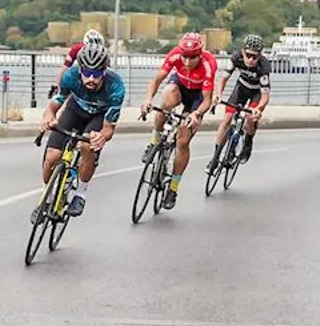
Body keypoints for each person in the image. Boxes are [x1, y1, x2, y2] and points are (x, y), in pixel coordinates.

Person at [36, 36, 123, 218]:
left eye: (97, 74)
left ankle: (81, 193)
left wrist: (102, 137)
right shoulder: (71, 76)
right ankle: (47, 196)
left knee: (86, 146)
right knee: (52, 156)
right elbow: (56, 102)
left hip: (98, 116)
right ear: (80, 69)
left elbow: (109, 128)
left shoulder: (115, 86)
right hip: (75, 110)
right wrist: (48, 116)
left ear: (104, 72)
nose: (91, 78)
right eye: (87, 72)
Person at [140, 32, 219, 208]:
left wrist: (196, 114)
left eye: (192, 58)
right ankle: (154, 141)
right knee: (164, 102)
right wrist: (147, 100)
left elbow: (207, 100)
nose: (187, 62)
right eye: (184, 57)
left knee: (182, 141)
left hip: (198, 96)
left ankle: (173, 189)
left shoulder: (208, 64)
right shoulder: (175, 55)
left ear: (200, 54)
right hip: (180, 85)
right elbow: (156, 81)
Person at [214, 33, 272, 165]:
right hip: (241, 88)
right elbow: (222, 79)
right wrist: (218, 95)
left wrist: (259, 108)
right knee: (226, 121)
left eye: (255, 56)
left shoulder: (264, 67)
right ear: (242, 51)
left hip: (256, 93)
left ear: (260, 55)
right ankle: (215, 157)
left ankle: (248, 141)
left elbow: (265, 95)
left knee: (249, 118)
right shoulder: (235, 58)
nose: (251, 59)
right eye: (248, 55)